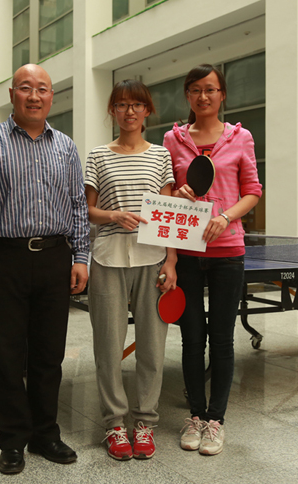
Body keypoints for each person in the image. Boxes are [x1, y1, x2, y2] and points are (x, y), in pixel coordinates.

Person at [0, 64, 90, 475]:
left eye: (42, 89)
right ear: (12, 94)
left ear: (52, 97)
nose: (35, 96)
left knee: (50, 353)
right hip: (5, 259)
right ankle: (13, 439)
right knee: (7, 354)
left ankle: (46, 434)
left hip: (54, 257)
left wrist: (81, 257)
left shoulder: (65, 147)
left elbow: (77, 205)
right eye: (26, 88)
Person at [162, 64, 262, 456]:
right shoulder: (172, 140)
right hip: (187, 253)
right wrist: (178, 195)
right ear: (187, 96)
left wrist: (226, 217)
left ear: (222, 95)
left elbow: (252, 191)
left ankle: (215, 420)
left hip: (227, 254)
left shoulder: (241, 138)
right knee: (191, 339)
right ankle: (195, 415)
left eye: (210, 89)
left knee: (221, 338)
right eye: (195, 90)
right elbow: (166, 195)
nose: (203, 96)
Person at [85, 80, 177, 461]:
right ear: (112, 111)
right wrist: (113, 216)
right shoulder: (97, 156)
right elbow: (87, 211)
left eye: (137, 105)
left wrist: (171, 261)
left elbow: (169, 215)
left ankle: (145, 422)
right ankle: (114, 424)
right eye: (121, 105)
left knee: (152, 348)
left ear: (147, 110)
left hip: (152, 258)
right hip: (107, 258)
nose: (129, 112)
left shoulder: (161, 156)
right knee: (109, 347)